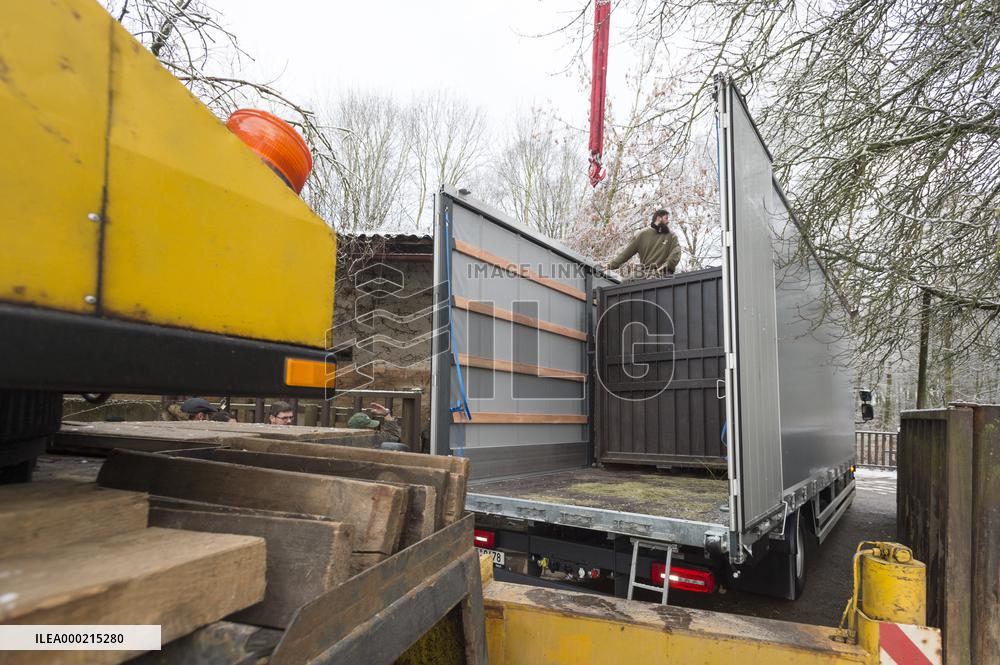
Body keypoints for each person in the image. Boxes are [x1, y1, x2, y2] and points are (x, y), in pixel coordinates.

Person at [607, 209, 682, 277]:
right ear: (659, 218)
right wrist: (609, 266)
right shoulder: (642, 235)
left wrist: (666, 266)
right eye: (666, 218)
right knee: (625, 282)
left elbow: (676, 253)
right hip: (645, 274)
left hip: (663, 274)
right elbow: (625, 254)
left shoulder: (671, 236)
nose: (668, 221)